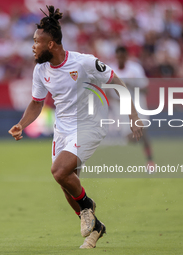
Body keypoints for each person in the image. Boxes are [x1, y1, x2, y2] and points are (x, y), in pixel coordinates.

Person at [8, 6, 143, 249]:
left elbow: (117, 82)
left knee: (59, 171)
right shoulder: (40, 70)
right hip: (63, 129)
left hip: (90, 125)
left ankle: (88, 205)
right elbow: (37, 103)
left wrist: (132, 115)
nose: (33, 46)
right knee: (66, 184)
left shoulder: (84, 63)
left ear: (51, 44)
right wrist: (21, 123)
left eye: (37, 41)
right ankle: (97, 227)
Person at [108, 46, 155, 171]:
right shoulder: (110, 69)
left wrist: (132, 84)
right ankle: (137, 157)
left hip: (137, 104)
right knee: (130, 138)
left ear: (126, 57)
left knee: (142, 131)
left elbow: (146, 89)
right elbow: (106, 90)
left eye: (123, 57)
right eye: (118, 57)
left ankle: (150, 160)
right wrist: (115, 98)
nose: (121, 59)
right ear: (116, 57)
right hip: (120, 106)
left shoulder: (135, 69)